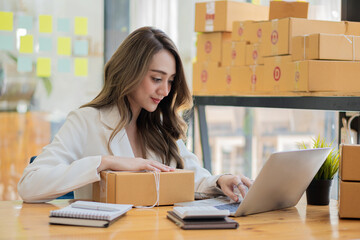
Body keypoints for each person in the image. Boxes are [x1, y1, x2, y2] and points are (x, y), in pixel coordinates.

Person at [17, 26, 252, 203]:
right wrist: (104, 163)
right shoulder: (85, 121)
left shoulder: (159, 125)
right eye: (156, 79)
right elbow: (29, 185)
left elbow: (191, 176)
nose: (165, 90)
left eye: (170, 81)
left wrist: (221, 181)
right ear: (130, 72)